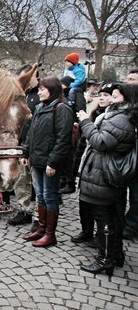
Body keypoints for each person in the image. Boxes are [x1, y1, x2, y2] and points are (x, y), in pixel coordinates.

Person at [77, 83, 137, 275]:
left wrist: (86, 121)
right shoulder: (121, 116)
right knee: (114, 217)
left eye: (116, 96)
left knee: (104, 219)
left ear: (126, 100)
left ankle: (105, 259)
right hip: (105, 174)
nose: (111, 99)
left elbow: (100, 142)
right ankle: (115, 254)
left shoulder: (120, 118)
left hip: (104, 175)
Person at [22, 77, 73, 247]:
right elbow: (31, 134)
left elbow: (63, 139)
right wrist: (26, 153)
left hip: (49, 163)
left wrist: (53, 162)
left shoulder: (61, 109)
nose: (39, 92)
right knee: (41, 197)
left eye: (42, 89)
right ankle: (41, 229)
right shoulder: (39, 108)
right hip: (37, 160)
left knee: (50, 197)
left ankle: (50, 234)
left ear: (52, 89)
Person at [71, 83, 112, 244]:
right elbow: (83, 141)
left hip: (101, 167)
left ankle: (102, 240)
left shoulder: (111, 117)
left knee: (100, 209)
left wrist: (86, 122)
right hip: (86, 163)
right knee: (84, 204)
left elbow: (99, 141)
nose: (102, 97)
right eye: (100, 94)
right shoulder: (94, 113)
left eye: (107, 95)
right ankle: (86, 231)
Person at [8, 64, 39, 226]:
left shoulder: (41, 94)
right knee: (20, 180)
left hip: (36, 147)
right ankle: (24, 210)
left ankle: (40, 217)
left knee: (38, 183)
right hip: (20, 145)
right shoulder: (18, 94)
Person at [123, 69, 138, 240]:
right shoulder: (125, 102)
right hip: (124, 154)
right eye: (127, 79)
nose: (128, 82)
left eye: (132, 79)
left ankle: (132, 225)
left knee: (135, 194)